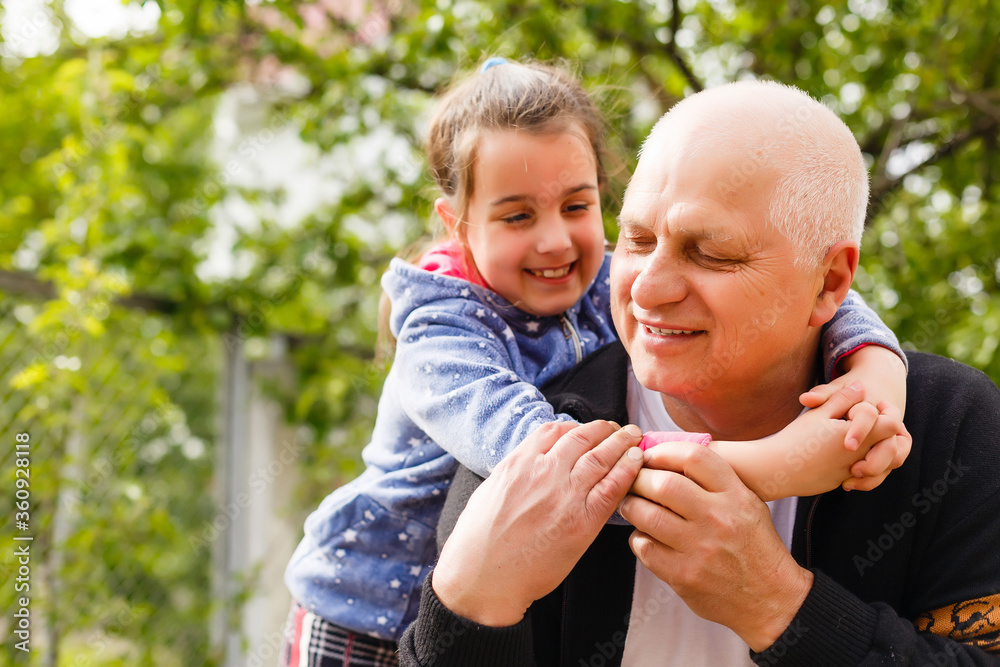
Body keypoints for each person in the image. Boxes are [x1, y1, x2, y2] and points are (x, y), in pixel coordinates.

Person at [281, 60, 909, 666]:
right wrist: (771, 468)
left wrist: (879, 370)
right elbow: (543, 462)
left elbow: (810, 282)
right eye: (518, 215)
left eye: (576, 207)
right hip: (363, 611)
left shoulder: (615, 278)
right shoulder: (439, 333)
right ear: (458, 224)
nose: (555, 240)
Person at [398, 79, 1000, 665]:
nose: (647, 290)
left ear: (829, 282)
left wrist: (777, 605)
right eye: (634, 240)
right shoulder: (538, 427)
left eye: (711, 254)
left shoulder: (948, 426)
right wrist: (467, 606)